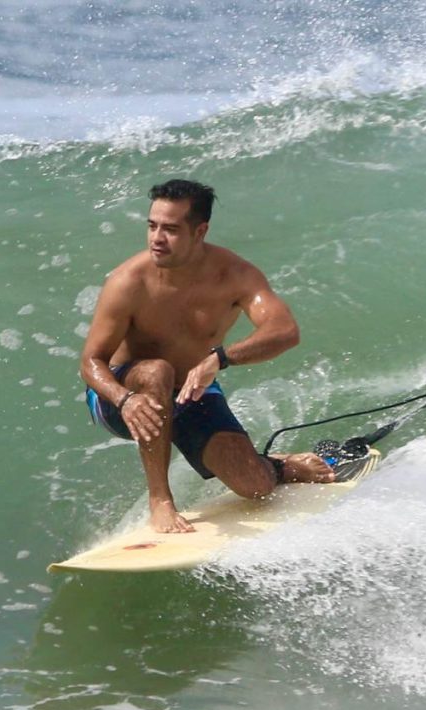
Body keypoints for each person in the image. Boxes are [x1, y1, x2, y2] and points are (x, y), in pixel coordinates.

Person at [80, 179, 335, 533]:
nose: (156, 238)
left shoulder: (234, 276)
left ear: (200, 231)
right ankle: (160, 501)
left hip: (190, 390)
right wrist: (124, 400)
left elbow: (284, 331)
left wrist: (220, 358)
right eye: (152, 226)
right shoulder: (129, 282)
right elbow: (91, 362)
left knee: (255, 486)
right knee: (157, 372)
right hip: (121, 395)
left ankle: (279, 466)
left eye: (170, 229)